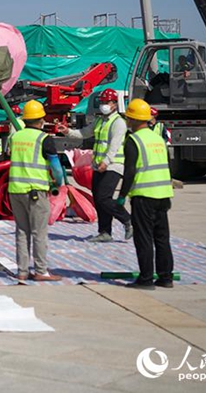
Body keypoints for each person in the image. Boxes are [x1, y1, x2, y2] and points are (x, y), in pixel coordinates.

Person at [56, 89, 133, 242]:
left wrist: (106, 161)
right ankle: (105, 232)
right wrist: (67, 132)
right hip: (99, 165)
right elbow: (84, 133)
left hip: (113, 166)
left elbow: (114, 146)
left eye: (107, 102)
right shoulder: (100, 121)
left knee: (104, 198)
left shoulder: (118, 123)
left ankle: (128, 220)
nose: (104, 105)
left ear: (114, 104)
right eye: (103, 102)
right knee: (98, 199)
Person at [117, 99, 175, 290]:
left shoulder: (133, 140)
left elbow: (130, 172)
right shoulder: (158, 139)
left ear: (132, 119)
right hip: (163, 195)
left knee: (143, 238)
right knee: (162, 238)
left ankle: (146, 278)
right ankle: (166, 278)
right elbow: (167, 165)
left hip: (144, 195)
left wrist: (122, 195)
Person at [8, 100, 63, 281]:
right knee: (39, 232)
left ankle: (22, 271)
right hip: (35, 191)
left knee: (22, 231)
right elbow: (56, 167)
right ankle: (41, 271)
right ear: (41, 120)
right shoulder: (44, 139)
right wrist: (58, 184)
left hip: (15, 189)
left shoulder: (15, 137)